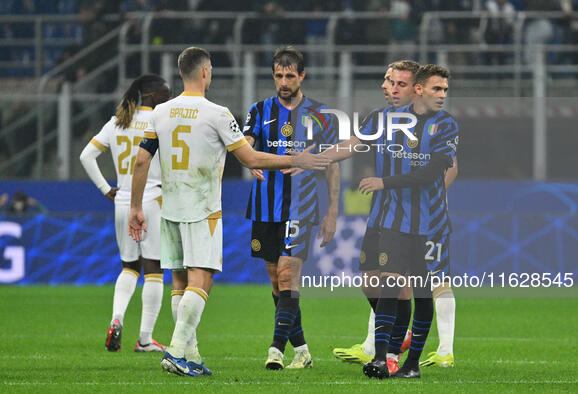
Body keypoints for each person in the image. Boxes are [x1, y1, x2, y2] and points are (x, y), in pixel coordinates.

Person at [128, 46, 330, 377]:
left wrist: (136, 206)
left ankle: (190, 355)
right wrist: (297, 159)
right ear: (206, 73)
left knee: (179, 282)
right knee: (201, 280)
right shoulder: (217, 113)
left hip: (171, 208)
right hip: (203, 209)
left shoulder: (160, 112)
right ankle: (178, 352)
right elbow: (251, 157)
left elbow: (140, 161)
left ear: (181, 73)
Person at [242, 45, 340, 370]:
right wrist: (249, 161)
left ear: (302, 75)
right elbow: (246, 147)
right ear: (273, 75)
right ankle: (302, 351)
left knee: (287, 275)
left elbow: (333, 164)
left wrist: (332, 211)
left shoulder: (322, 116)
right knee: (276, 281)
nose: (284, 82)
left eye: (290, 76)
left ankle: (275, 350)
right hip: (265, 206)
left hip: (302, 207)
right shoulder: (258, 110)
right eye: (279, 76)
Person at [359, 64, 459, 378]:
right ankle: (380, 357)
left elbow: (432, 173)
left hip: (431, 225)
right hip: (395, 221)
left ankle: (411, 364)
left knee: (422, 292)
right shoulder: (390, 121)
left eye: (445, 89)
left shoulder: (446, 126)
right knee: (385, 284)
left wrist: (384, 183)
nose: (442, 95)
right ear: (419, 89)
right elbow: (357, 143)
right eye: (436, 89)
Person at [332, 60, 421, 374]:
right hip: (380, 213)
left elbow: (442, 170)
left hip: (410, 216)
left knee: (393, 283)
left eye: (399, 83)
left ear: (416, 89)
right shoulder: (379, 118)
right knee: (370, 281)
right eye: (389, 81)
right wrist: (315, 157)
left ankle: (388, 356)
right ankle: (400, 333)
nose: (391, 88)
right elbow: (352, 146)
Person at [79, 74, 170, 352]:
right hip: (152, 200)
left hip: (123, 202)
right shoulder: (160, 121)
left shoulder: (118, 122)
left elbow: (86, 156)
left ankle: (116, 319)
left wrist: (107, 188)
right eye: (166, 93)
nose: (170, 96)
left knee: (129, 267)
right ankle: (144, 339)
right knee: (154, 270)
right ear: (154, 96)